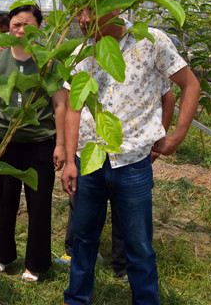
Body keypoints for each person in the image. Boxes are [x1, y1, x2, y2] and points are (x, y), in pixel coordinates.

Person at [61, 1, 200, 304]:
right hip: (89, 160)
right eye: (79, 11)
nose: (83, 18)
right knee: (84, 239)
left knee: (138, 245)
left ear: (116, 6)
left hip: (132, 163)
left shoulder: (150, 41)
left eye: (91, 9)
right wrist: (70, 160)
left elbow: (190, 85)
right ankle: (76, 299)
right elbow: (73, 108)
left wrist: (176, 136)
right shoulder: (81, 53)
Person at [0, 5, 66, 282]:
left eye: (27, 25)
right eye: (16, 24)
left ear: (40, 27)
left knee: (39, 205)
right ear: (9, 26)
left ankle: (36, 263)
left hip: (40, 142)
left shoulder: (49, 62)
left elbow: (60, 105)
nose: (20, 30)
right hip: (7, 141)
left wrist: (61, 144)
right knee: (6, 202)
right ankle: (4, 256)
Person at [58, 84, 176, 279]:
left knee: (124, 210)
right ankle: (73, 254)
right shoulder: (83, 56)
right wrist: (67, 154)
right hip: (90, 151)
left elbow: (168, 98)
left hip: (127, 157)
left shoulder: (143, 58)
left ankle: (123, 264)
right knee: (80, 208)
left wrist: (159, 139)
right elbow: (72, 105)